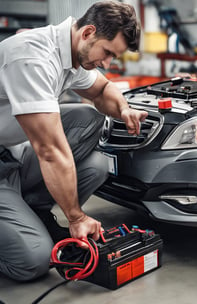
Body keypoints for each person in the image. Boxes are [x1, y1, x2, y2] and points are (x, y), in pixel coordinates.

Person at [0, 0, 148, 281]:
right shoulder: (32, 58)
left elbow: (103, 88)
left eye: (113, 57)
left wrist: (124, 109)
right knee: (34, 260)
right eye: (107, 53)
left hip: (10, 155)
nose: (107, 63)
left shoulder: (72, 54)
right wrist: (76, 218)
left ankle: (33, 211)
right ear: (88, 32)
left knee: (94, 155)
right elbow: (49, 151)